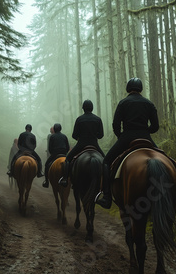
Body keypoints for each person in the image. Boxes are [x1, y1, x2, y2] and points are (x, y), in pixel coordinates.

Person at [96, 78, 160, 209]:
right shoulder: (149, 103)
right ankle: (175, 199)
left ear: (128, 88)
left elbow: (115, 125)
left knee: (107, 162)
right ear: (140, 89)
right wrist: (145, 131)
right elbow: (155, 126)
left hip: (127, 137)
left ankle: (107, 197)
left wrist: (121, 137)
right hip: (146, 137)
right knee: (167, 160)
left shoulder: (123, 103)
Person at [59, 100, 104, 187]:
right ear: (92, 108)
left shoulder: (79, 119)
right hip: (94, 144)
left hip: (81, 144)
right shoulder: (98, 119)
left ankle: (65, 179)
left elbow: (74, 135)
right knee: (105, 161)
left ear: (83, 108)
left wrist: (80, 138)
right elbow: (101, 135)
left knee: (68, 159)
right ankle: (107, 184)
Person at [42, 123, 70, 188]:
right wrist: (65, 153)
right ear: (60, 129)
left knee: (46, 165)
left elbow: (50, 148)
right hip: (64, 154)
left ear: (54, 129)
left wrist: (52, 153)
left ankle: (46, 182)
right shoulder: (64, 136)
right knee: (70, 164)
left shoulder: (52, 136)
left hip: (55, 154)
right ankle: (69, 180)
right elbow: (67, 147)